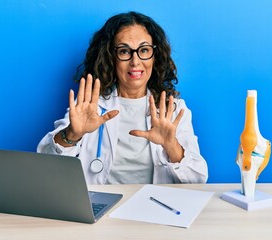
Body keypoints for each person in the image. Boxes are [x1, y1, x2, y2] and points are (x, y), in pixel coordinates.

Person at [37, 11, 208, 184]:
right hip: (102, 207)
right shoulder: (89, 106)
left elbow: (198, 179)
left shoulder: (173, 109)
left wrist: (171, 145)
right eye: (125, 51)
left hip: (155, 207)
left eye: (144, 50)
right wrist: (72, 134)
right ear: (111, 57)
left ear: (155, 57)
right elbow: (46, 165)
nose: (135, 61)